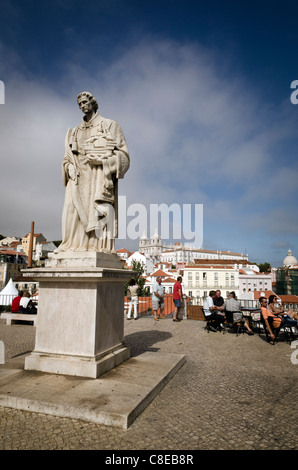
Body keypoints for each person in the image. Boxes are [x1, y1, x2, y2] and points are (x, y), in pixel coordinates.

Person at [55, 91, 130, 254]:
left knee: (98, 211)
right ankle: (71, 244)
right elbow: (67, 157)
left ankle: (96, 246)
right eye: (79, 104)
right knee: (70, 208)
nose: (82, 106)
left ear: (92, 103)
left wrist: (105, 161)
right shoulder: (74, 131)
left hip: (97, 175)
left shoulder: (109, 124)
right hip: (77, 177)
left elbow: (124, 155)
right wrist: (69, 167)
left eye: (84, 102)